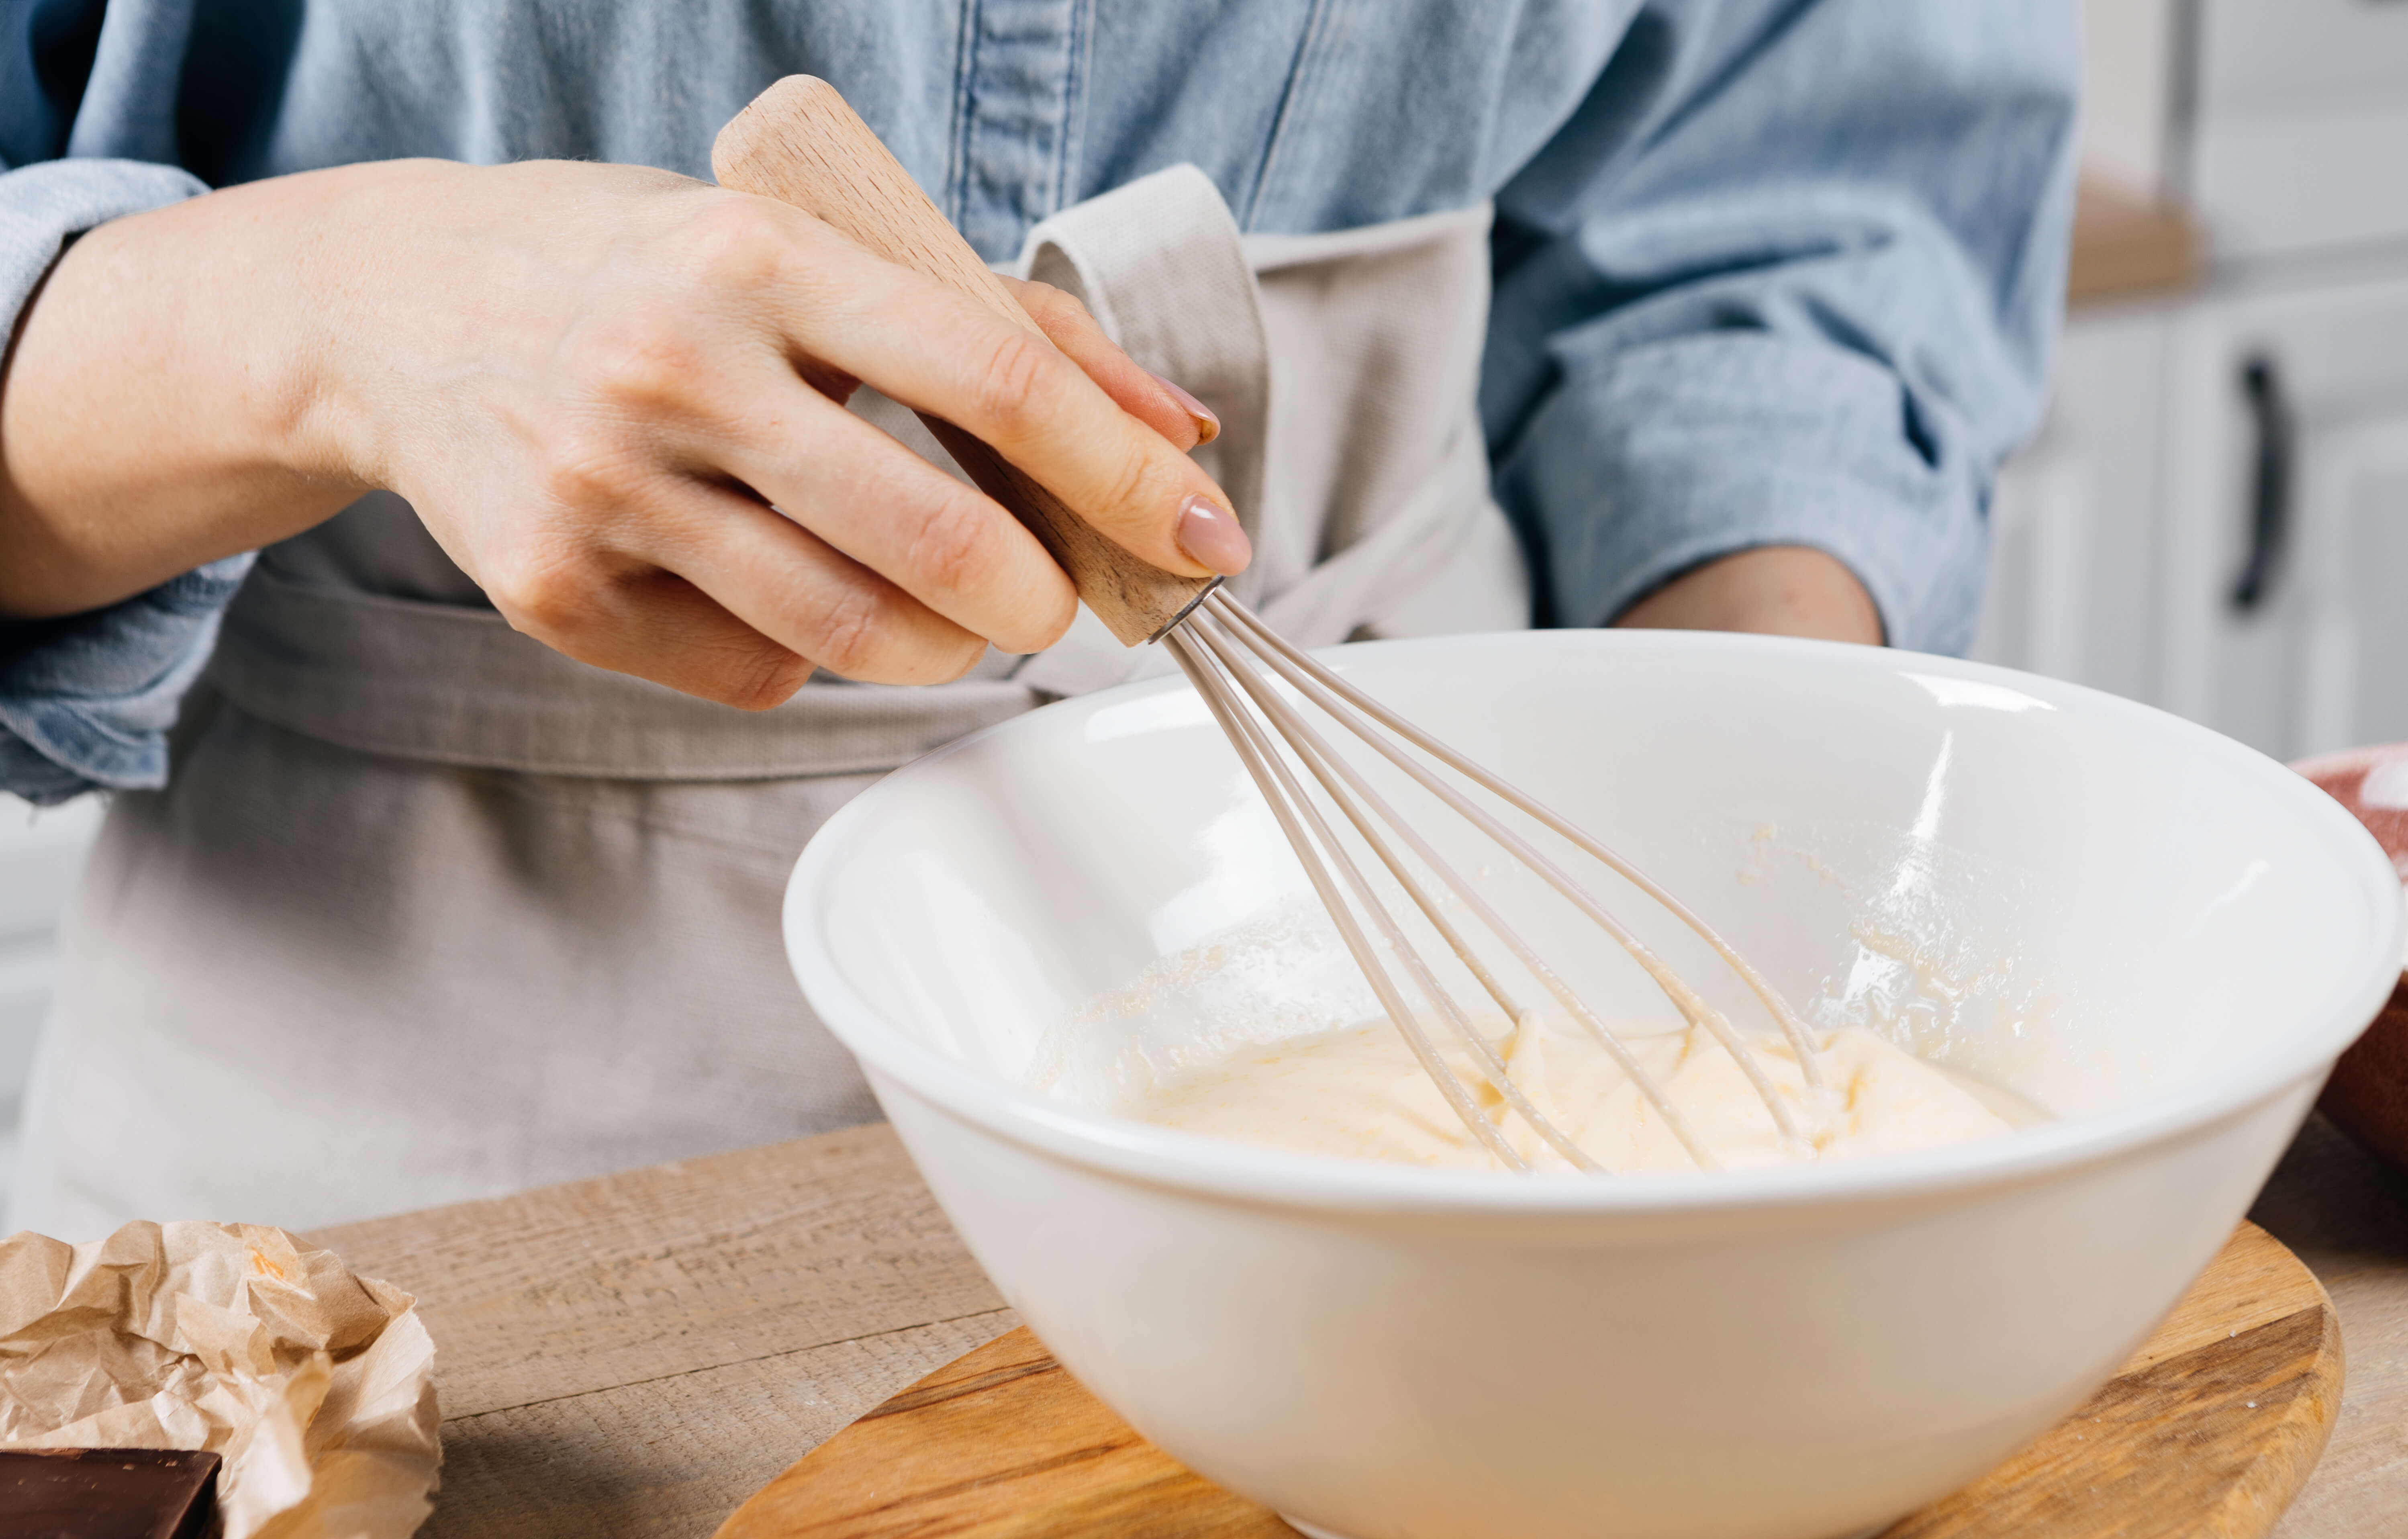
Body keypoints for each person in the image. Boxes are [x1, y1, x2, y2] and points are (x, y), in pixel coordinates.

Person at [0, 2, 2077, 1239]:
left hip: (1477, 1029)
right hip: (419, 1171)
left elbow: (1797, 194)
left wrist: (1734, 893)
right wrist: (323, 319)